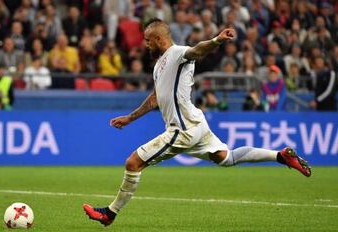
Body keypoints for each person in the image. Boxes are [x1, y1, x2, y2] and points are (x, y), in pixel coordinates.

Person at [83, 19, 311, 227]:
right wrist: (131, 118)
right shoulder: (158, 66)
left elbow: (197, 50)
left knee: (133, 163)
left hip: (182, 129)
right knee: (227, 158)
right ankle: (280, 156)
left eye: (148, 41)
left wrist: (217, 40)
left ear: (160, 39)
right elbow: (155, 97)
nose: (145, 45)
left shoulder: (178, 53)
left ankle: (109, 214)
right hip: (196, 123)